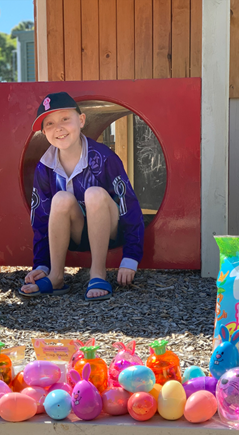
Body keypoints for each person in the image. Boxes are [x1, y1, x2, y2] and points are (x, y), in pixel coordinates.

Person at [19, 92, 145, 301]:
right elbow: (40, 219)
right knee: (60, 199)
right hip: (76, 234)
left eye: (65, 119)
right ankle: (56, 276)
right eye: (49, 124)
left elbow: (128, 205)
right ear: (43, 132)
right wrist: (41, 263)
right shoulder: (45, 166)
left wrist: (130, 257)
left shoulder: (103, 158)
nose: (58, 128)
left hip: (110, 230)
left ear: (82, 120)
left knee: (94, 193)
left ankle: (98, 274)